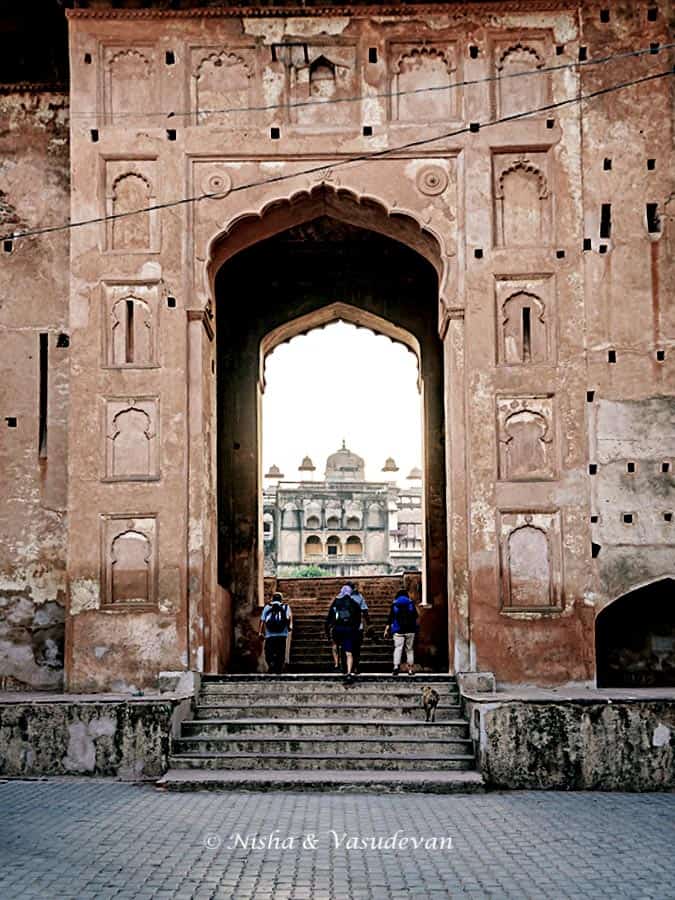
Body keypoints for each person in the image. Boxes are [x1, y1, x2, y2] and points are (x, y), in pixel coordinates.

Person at [325, 584, 362, 683]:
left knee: (335, 645)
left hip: (337, 629)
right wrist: (355, 630)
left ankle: (337, 664)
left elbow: (330, 617)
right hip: (349, 630)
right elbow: (358, 619)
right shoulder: (354, 603)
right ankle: (349, 672)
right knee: (349, 652)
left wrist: (328, 630)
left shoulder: (336, 602)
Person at [383, 587, 418, 676]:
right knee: (409, 650)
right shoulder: (411, 603)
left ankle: (395, 667)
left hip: (398, 630)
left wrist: (386, 630)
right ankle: (410, 669)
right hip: (410, 630)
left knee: (398, 649)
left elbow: (390, 618)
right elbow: (415, 616)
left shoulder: (395, 604)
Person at [258, 591, 292, 675]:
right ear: (281, 599)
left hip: (270, 635)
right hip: (282, 634)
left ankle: (271, 664)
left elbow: (262, 620)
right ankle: (278, 668)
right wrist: (289, 627)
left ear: (272, 599)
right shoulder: (286, 607)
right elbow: (289, 618)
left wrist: (260, 632)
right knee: (281, 651)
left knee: (269, 651)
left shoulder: (267, 607)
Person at [348, 581, 370, 675]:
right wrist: (369, 624)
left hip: (346, 627)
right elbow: (365, 611)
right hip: (357, 627)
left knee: (347, 649)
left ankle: (347, 668)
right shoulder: (359, 597)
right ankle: (355, 667)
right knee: (356, 649)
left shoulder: (342, 597)